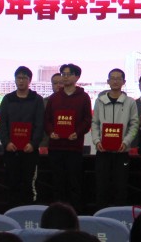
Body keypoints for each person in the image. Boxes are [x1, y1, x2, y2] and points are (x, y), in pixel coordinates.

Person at [44, 63, 92, 212]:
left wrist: (77, 132)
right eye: (63, 74)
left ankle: (75, 214)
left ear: (77, 77)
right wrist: (51, 132)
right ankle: (58, 213)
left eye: (68, 74)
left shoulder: (84, 97)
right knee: (57, 182)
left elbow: (87, 120)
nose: (65, 77)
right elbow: (47, 119)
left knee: (74, 183)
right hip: (56, 147)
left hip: (74, 147)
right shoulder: (54, 98)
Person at [91, 68, 139, 208]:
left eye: (119, 78)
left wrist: (126, 142)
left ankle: (119, 215)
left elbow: (134, 124)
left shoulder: (130, 102)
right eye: (112, 78)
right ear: (108, 81)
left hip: (122, 151)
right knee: (102, 186)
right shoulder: (100, 101)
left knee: (121, 186)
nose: (115, 81)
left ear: (124, 82)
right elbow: (95, 123)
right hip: (103, 151)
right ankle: (100, 214)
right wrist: (96, 141)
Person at [0, 65, 45, 207]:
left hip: (30, 151)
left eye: (24, 78)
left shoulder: (37, 99)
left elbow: (40, 124)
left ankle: (28, 213)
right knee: (12, 183)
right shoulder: (8, 99)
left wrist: (33, 143)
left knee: (28, 183)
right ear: (15, 80)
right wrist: (6, 142)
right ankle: (11, 212)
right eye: (18, 78)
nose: (21, 81)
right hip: (11, 150)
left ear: (30, 80)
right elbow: (2, 123)